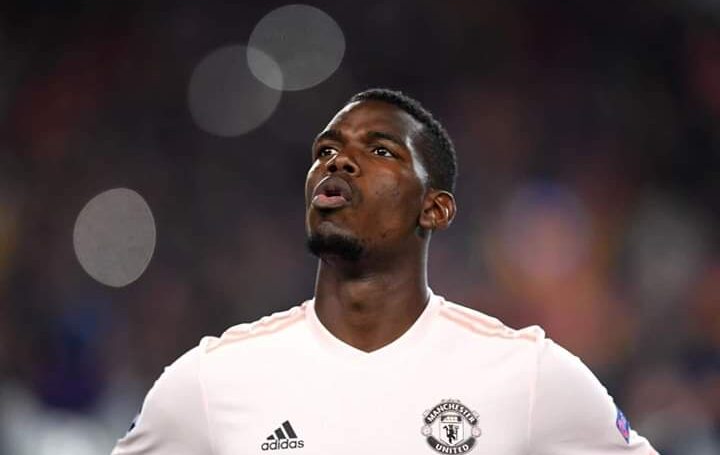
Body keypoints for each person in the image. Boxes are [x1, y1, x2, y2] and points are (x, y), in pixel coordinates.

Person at [111, 89, 657, 454]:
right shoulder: (211, 381)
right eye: (326, 150)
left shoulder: (529, 376)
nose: (338, 161)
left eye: (380, 150)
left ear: (435, 209)